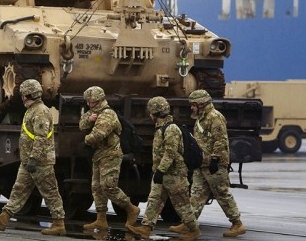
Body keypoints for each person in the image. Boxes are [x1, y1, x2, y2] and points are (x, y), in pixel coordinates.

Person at [0, 79, 66, 236]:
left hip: (40, 161)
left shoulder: (40, 111)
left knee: (50, 192)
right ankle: (4, 217)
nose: (22, 98)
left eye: (24, 95)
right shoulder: (32, 110)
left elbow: (41, 138)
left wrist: (34, 158)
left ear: (30, 95)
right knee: (19, 189)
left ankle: (59, 223)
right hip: (29, 161)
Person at [169, 89, 246, 238]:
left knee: (222, 193)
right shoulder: (201, 118)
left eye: (194, 105)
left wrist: (215, 160)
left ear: (202, 104)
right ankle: (189, 224)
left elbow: (220, 140)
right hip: (202, 163)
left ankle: (237, 224)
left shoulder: (215, 117)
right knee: (196, 195)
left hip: (214, 165)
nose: (191, 107)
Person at [126, 96, 201, 239]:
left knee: (182, 204)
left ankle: (193, 229)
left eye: (151, 112)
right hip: (162, 173)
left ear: (155, 112)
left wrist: (161, 170)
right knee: (154, 200)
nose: (149, 115)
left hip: (174, 174)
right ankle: (146, 228)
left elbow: (170, 152)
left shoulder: (171, 128)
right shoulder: (161, 128)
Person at [80, 86, 140, 232]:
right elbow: (81, 124)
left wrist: (86, 140)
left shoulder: (107, 114)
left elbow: (98, 135)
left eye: (91, 102)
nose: (89, 104)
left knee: (108, 186)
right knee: (97, 187)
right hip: (98, 155)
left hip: (110, 154)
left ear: (99, 100)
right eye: (88, 102)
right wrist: (89, 118)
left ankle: (131, 208)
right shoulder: (94, 112)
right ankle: (101, 219)